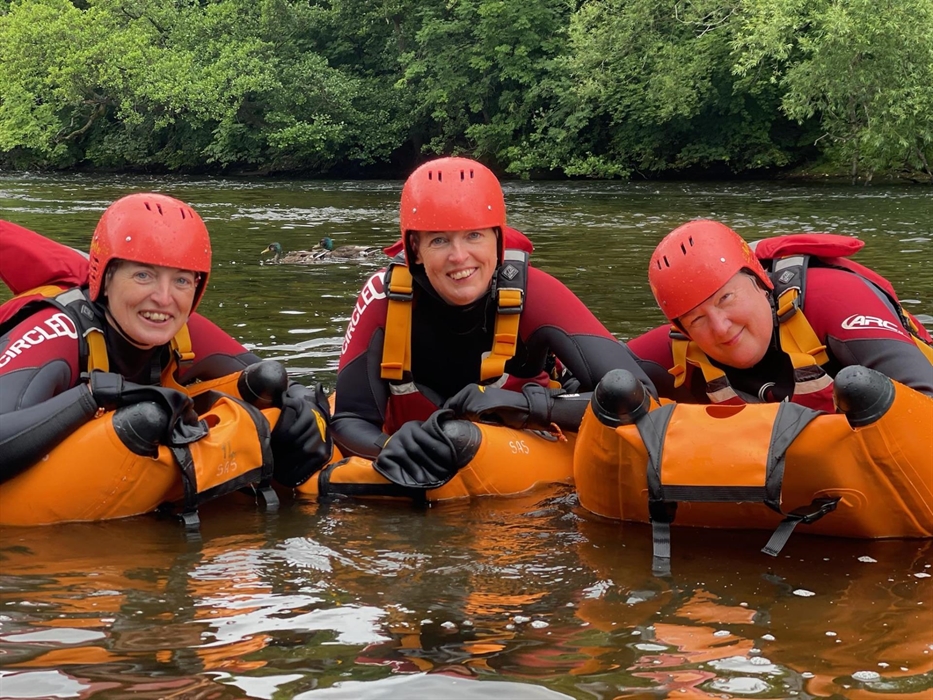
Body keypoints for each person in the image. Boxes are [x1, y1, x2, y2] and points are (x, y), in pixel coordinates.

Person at [332, 156, 655, 486]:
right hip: (416, 465)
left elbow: (639, 395)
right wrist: (392, 448)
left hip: (522, 459)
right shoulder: (382, 298)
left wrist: (526, 406)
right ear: (415, 249)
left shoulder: (536, 292)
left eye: (474, 235)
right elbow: (348, 419)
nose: (459, 257)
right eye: (439, 240)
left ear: (499, 241)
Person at [0, 193, 331, 493]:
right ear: (106, 276)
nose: (163, 299)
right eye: (143, 275)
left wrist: (304, 409)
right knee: (144, 417)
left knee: (270, 382)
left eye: (182, 280)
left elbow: (269, 376)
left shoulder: (182, 329)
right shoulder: (56, 331)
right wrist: (91, 395)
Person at [629, 219, 933, 408]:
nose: (720, 328)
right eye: (697, 319)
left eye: (726, 298)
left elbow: (925, 396)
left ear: (762, 282)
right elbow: (597, 370)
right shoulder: (682, 346)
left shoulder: (835, 298)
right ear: (683, 330)